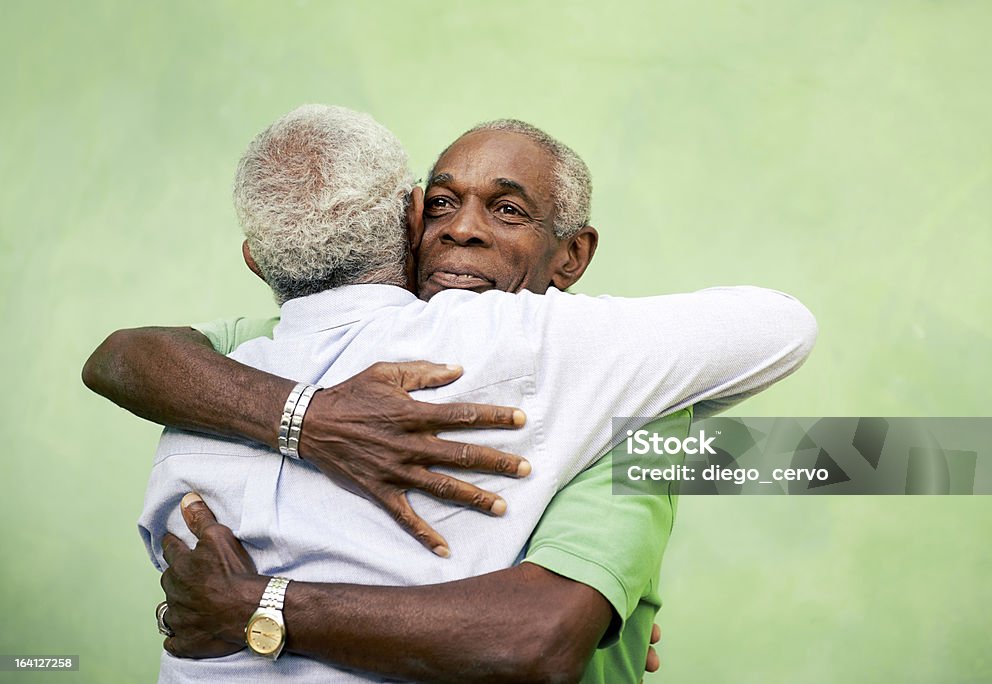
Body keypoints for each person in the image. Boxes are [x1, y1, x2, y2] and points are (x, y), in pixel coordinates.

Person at [85, 105, 816, 682]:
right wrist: (309, 418)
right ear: (407, 221)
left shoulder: (611, 394)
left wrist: (254, 607)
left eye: (507, 210)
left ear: (572, 255)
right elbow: (127, 355)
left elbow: (538, 638)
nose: (461, 230)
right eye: (441, 203)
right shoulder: (263, 353)